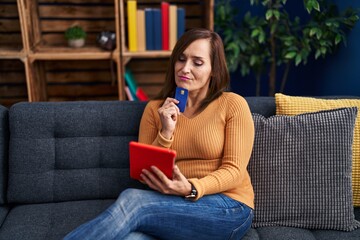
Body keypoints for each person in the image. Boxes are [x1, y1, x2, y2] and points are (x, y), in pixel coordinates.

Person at [64, 28, 255, 240]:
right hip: (173, 203)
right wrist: (166, 131)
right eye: (181, 59)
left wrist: (191, 188)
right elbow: (145, 174)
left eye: (197, 62)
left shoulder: (233, 105)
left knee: (133, 200)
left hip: (228, 206)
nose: (185, 68)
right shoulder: (155, 110)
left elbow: (234, 170)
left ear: (214, 70)